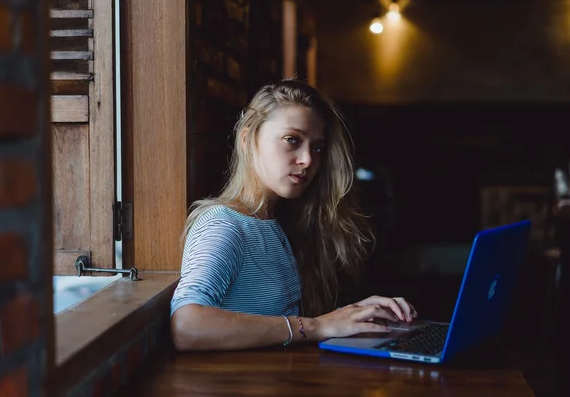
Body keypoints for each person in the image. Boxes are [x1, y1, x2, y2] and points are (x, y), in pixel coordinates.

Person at [171, 78, 417, 351]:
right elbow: (187, 326)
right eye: (292, 140)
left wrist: (351, 315)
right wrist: (318, 326)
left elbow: (278, 323)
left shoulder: (277, 222)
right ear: (248, 139)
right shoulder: (223, 224)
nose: (308, 160)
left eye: (317, 147)